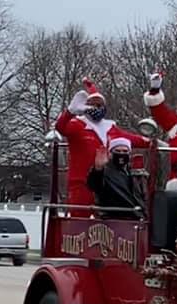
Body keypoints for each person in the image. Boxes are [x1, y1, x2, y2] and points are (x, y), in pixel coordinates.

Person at [54, 77, 148, 214]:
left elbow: (133, 139)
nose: (96, 108)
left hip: (109, 186)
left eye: (100, 105)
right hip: (82, 185)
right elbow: (61, 127)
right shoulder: (77, 125)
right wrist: (69, 112)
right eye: (93, 105)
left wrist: (151, 141)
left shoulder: (111, 128)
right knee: (80, 225)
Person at [86, 138, 143, 220]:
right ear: (110, 154)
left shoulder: (134, 173)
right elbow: (94, 185)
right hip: (112, 218)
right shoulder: (104, 171)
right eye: (117, 151)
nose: (121, 154)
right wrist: (98, 169)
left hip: (136, 218)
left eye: (125, 151)